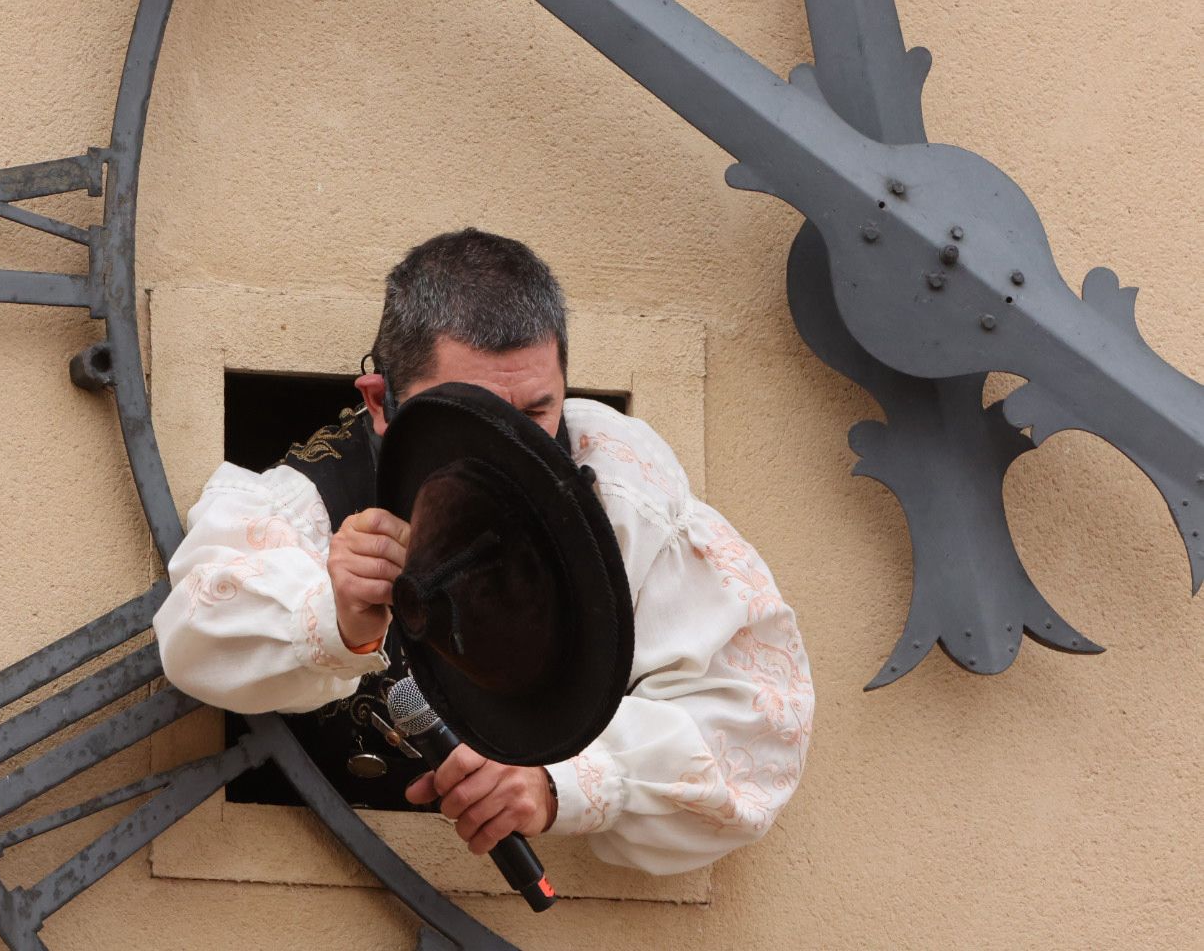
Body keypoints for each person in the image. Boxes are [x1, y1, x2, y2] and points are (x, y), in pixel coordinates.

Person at [153, 228, 813, 875]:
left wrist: (563, 781)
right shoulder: (313, 497)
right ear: (381, 404)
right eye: (469, 413)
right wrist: (334, 617)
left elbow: (755, 724)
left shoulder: (621, 490)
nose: (511, 447)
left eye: (537, 413)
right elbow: (194, 635)